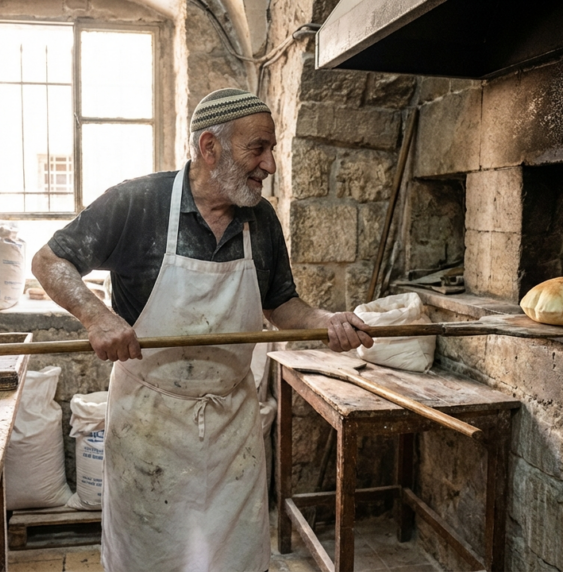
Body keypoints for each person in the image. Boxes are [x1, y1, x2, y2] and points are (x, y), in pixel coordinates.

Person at [32, 88, 373, 572]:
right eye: (258, 148)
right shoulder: (138, 204)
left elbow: (284, 307)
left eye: (271, 149)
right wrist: (97, 316)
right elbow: (49, 261)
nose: (270, 164)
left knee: (232, 559)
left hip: (231, 425)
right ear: (209, 147)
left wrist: (326, 322)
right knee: (150, 559)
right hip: (151, 423)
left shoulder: (263, 222)